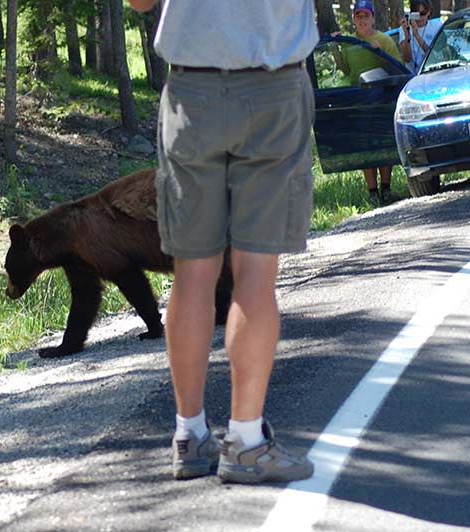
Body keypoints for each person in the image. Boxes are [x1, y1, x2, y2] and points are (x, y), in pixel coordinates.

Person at [128, 0, 316, 483]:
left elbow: (139, 2)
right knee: (255, 270)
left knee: (193, 271)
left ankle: (189, 434)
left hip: (192, 92)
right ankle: (246, 441)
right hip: (273, 85)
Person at [333, 0, 403, 207]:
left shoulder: (384, 39)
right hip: (357, 98)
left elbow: (396, 68)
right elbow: (345, 70)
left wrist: (379, 52)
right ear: (354, 19)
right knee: (364, 147)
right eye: (358, 16)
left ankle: (387, 189)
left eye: (365, 16)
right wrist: (336, 49)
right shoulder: (348, 42)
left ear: (372, 17)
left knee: (381, 145)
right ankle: (372, 193)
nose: (362, 20)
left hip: (381, 96)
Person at [399, 0, 443, 73]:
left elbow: (435, 55)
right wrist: (407, 35)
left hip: (432, 72)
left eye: (423, 13)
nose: (419, 18)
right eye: (416, 14)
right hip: (412, 76)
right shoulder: (404, 28)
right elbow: (407, 58)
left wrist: (417, 36)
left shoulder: (436, 26)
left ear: (429, 12)